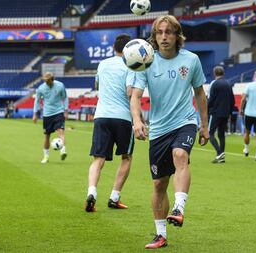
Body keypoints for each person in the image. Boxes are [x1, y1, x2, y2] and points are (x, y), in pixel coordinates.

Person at [130, 15, 209, 249]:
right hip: (159, 129)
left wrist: (204, 125)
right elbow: (135, 95)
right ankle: (160, 234)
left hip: (185, 121)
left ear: (177, 36)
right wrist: (137, 120)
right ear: (154, 36)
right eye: (159, 32)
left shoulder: (192, 60)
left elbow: (200, 94)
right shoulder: (145, 62)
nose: (164, 37)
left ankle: (179, 207)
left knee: (180, 155)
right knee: (158, 185)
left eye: (169, 32)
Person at [85, 34, 134, 212]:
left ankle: (92, 192)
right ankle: (114, 197)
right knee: (126, 157)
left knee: (98, 159)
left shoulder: (102, 64)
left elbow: (97, 86)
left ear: (114, 47)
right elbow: (130, 92)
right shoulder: (131, 65)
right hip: (123, 117)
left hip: (102, 115)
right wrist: (139, 118)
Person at [32, 72, 69, 163]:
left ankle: (63, 151)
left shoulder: (60, 85)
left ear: (53, 79)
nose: (47, 83)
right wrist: (35, 114)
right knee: (47, 136)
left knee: (60, 131)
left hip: (58, 112)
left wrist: (66, 110)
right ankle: (46, 157)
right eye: (46, 81)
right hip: (47, 114)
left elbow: (65, 97)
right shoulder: (41, 88)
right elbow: (37, 101)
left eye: (48, 81)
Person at [207, 66, 235, 163]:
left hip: (215, 113)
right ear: (223, 73)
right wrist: (230, 112)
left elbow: (211, 100)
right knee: (221, 134)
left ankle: (219, 153)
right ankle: (221, 157)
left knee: (210, 133)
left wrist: (206, 110)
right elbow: (232, 100)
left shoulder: (215, 84)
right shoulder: (228, 84)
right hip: (225, 113)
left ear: (215, 73)